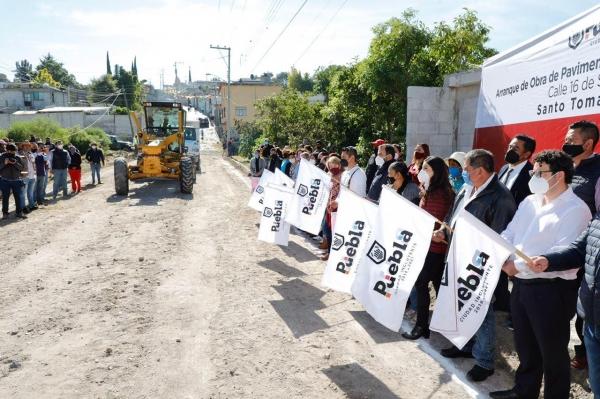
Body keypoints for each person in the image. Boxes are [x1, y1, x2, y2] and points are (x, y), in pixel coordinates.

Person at [490, 150, 591, 399]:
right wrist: (504, 255)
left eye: (539, 171)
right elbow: (510, 232)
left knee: (553, 354)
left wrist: (517, 266)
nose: (533, 175)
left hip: (551, 291)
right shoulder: (530, 202)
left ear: (558, 176)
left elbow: (562, 253)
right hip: (521, 286)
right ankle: (524, 391)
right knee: (526, 346)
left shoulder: (575, 209)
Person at [433, 149, 516, 382]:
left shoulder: (501, 197)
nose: (463, 173)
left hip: (480, 265)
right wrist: (443, 230)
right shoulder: (467, 188)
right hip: (457, 255)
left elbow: (501, 236)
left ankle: (485, 361)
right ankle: (465, 344)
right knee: (460, 303)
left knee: (482, 312)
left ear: (479, 170)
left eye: (467, 169)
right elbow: (453, 215)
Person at [402, 157, 455, 341]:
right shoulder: (429, 191)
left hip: (435, 248)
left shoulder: (440, 194)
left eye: (427, 168)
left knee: (422, 283)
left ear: (437, 172)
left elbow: (433, 220)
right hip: (427, 245)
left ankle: (422, 326)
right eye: (422, 167)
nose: (422, 171)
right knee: (436, 286)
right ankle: (440, 326)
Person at [563, 120, 600, 369]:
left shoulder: (597, 169)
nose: (566, 144)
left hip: (587, 253)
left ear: (588, 143)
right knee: (565, 306)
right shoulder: (564, 167)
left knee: (584, 310)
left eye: (571, 141)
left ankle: (585, 355)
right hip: (562, 250)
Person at [321, 156, 342, 261]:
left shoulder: (343, 175)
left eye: (334, 164)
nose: (332, 166)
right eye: (330, 164)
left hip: (337, 207)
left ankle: (333, 253)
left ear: (339, 164)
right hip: (327, 205)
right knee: (326, 229)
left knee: (334, 231)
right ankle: (329, 251)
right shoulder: (328, 175)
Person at [0, 143, 26, 219]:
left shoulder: (17, 157)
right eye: (13, 151)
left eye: (15, 151)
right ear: (8, 150)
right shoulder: (2, 157)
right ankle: (5, 213)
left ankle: (19, 212)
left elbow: (22, 168)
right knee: (5, 198)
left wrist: (15, 163)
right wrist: (4, 163)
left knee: (18, 197)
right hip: (5, 180)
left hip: (16, 180)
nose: (14, 152)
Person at [19, 142, 37, 213]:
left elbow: (33, 164)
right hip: (25, 176)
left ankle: (31, 205)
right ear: (23, 147)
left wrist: (35, 171)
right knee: (23, 193)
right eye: (25, 146)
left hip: (32, 175)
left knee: (30, 192)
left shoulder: (31, 154)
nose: (27, 147)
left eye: (29, 146)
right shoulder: (19, 155)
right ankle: (23, 207)